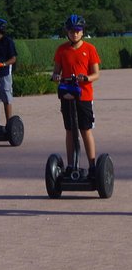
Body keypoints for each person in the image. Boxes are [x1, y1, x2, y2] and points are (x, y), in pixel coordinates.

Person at [51, 14, 101, 176]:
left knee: (85, 129)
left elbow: (96, 74)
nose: (75, 34)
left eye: (78, 31)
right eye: (72, 31)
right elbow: (56, 72)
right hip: (67, 94)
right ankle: (71, 165)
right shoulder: (62, 50)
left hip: (84, 96)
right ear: (67, 31)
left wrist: (86, 78)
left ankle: (93, 165)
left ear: (82, 31)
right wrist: (56, 77)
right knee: (70, 130)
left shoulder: (89, 49)